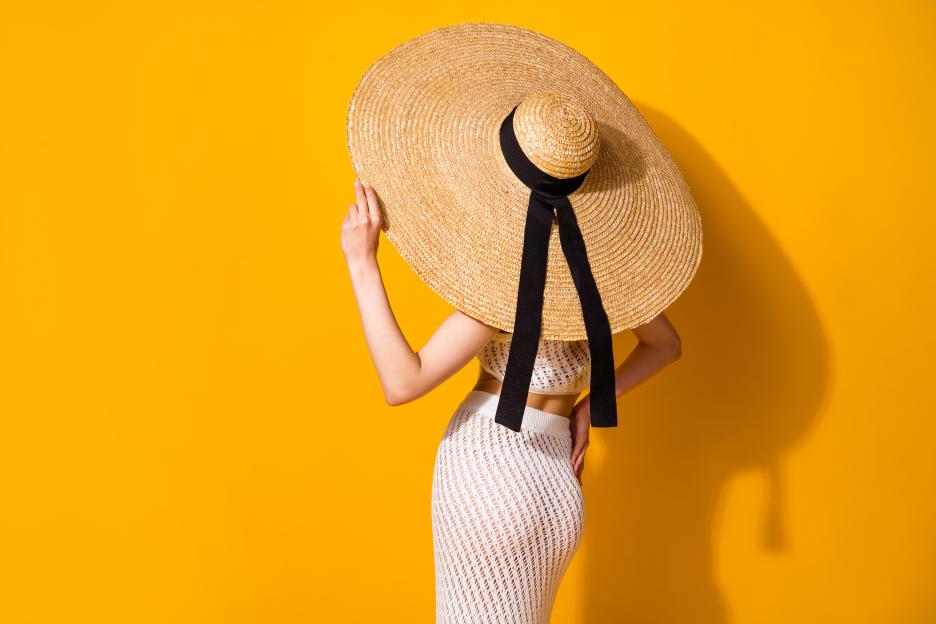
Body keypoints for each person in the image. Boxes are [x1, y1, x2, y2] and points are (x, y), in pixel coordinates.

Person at [343, 22, 702, 624]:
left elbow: (403, 383)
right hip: (550, 477)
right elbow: (665, 344)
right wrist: (585, 407)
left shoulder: (513, 275)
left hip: (494, 467)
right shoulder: (596, 276)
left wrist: (362, 264)